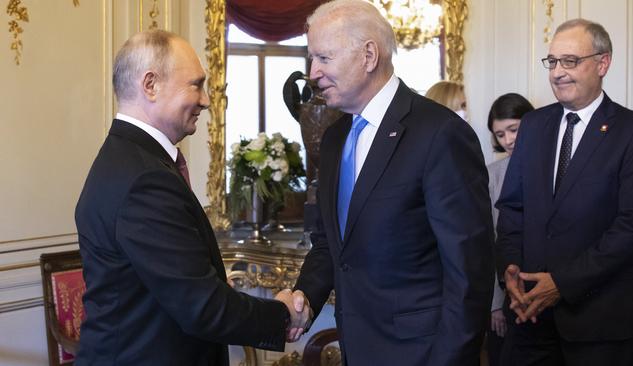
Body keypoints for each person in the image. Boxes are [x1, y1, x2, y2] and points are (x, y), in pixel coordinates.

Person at [74, 30, 309, 366]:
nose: (206, 100)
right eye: (196, 85)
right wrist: (283, 315)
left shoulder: (127, 158)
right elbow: (203, 309)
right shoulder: (145, 178)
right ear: (150, 85)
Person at [289, 1, 495, 365]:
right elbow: (330, 244)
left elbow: (470, 273)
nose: (313, 72)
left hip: (424, 353)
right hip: (357, 347)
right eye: (311, 58)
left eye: (323, 57)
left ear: (369, 55)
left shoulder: (440, 133)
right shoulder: (335, 137)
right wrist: (302, 298)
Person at [496, 19, 633, 366]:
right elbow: (512, 208)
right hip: (530, 315)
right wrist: (509, 271)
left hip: (602, 322)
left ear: (603, 63)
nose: (557, 73)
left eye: (570, 61)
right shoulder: (534, 125)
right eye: (552, 61)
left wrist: (562, 282)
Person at [485, 93, 534, 365]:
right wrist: (494, 303)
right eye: (500, 134)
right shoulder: (492, 174)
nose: (508, 140)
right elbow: (487, 242)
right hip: (506, 295)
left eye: (514, 129)